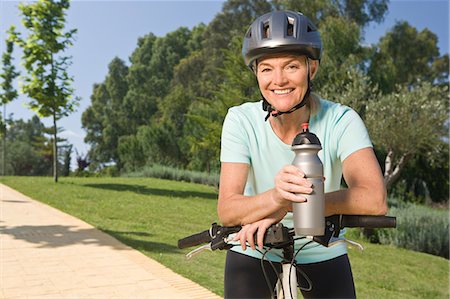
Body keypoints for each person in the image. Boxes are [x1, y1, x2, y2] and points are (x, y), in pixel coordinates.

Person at [218, 10, 388, 299]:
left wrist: (287, 207)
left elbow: (374, 198)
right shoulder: (240, 119)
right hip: (254, 244)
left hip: (321, 247)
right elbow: (227, 210)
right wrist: (275, 197)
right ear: (256, 73)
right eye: (267, 68)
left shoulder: (341, 120)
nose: (279, 80)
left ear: (312, 69)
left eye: (292, 66)